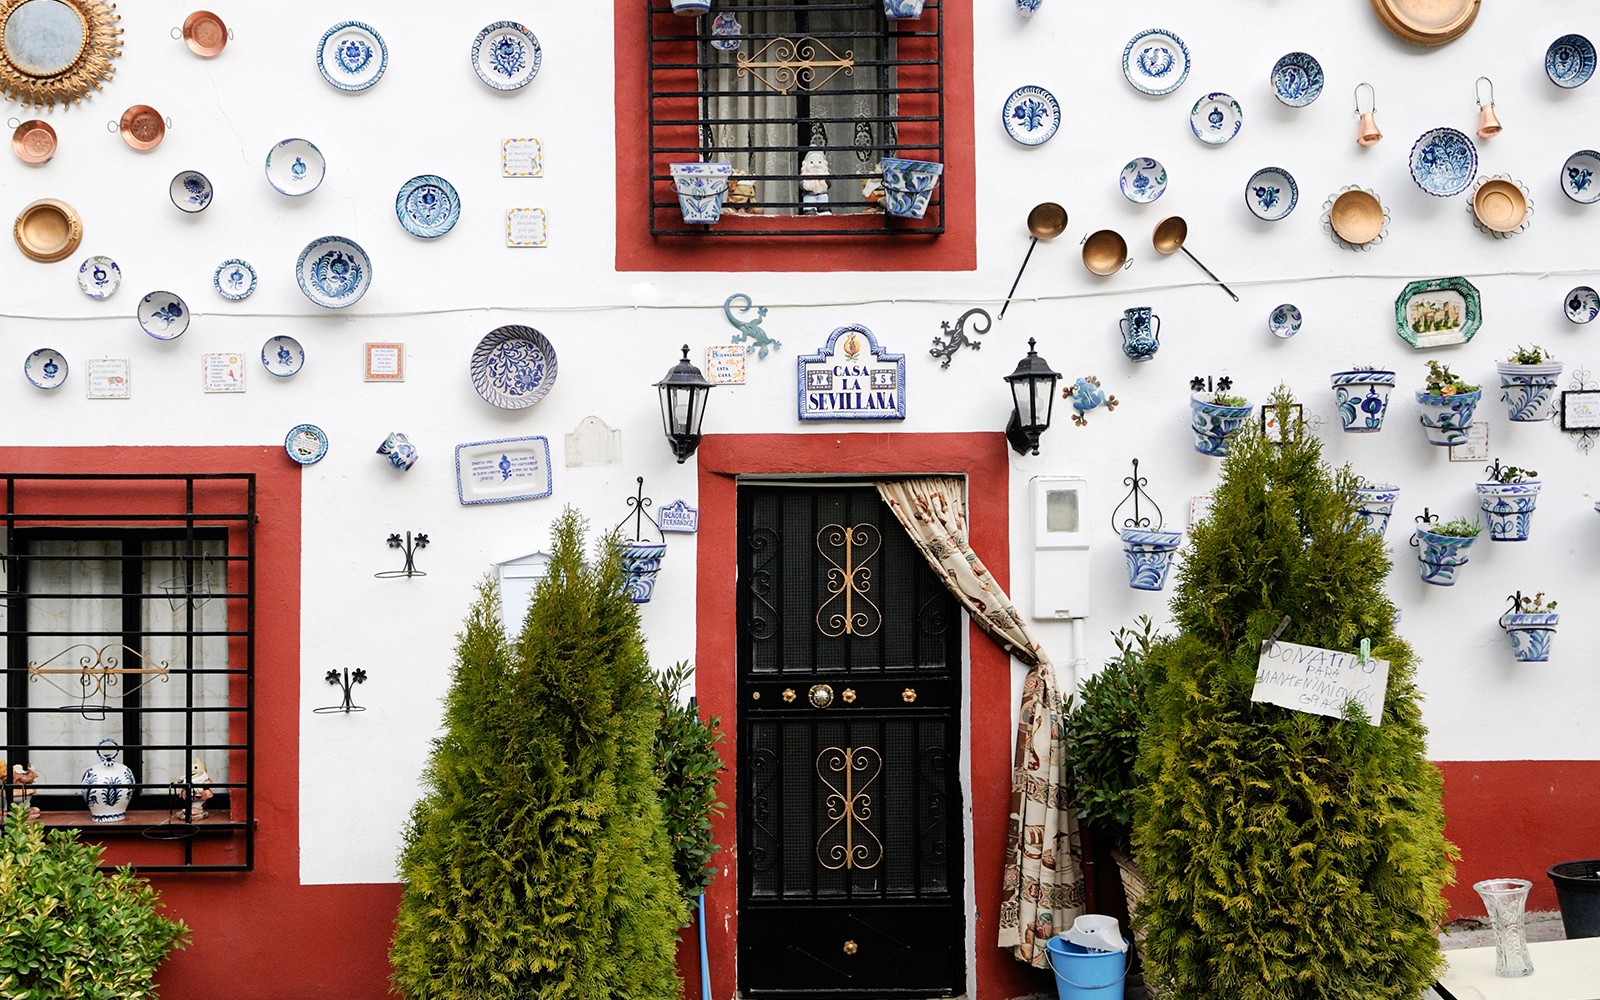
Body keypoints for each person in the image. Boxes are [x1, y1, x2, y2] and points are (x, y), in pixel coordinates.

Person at [799, 148, 831, 215]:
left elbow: (829, 184)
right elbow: (801, 185)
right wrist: (806, 186)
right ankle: (809, 210)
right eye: (811, 162)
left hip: (822, 194)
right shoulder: (805, 176)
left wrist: (825, 180)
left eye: (819, 162)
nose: (815, 165)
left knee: (824, 198)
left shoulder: (824, 174)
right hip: (809, 194)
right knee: (808, 200)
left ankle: (823, 208)